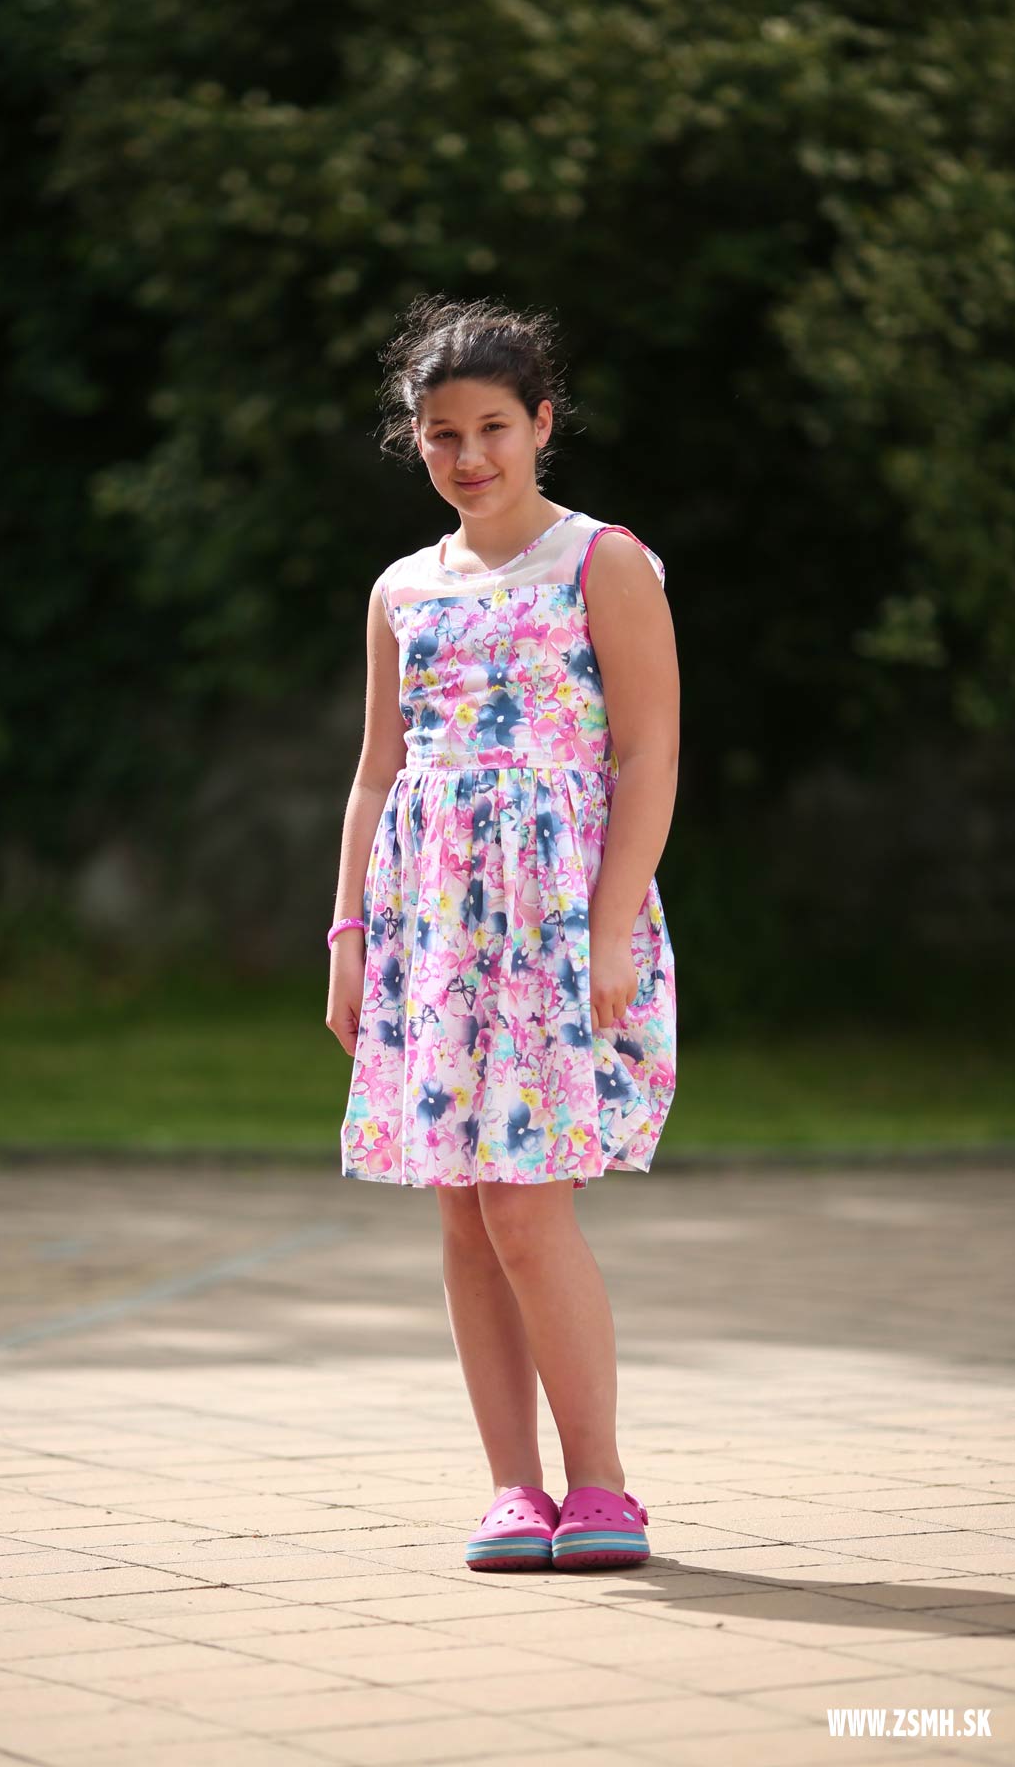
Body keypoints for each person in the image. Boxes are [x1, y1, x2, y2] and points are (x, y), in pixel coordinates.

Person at [326, 293, 679, 1573]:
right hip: (431, 928)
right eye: (442, 434)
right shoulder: (403, 589)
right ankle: (513, 1492)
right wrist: (350, 934)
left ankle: (603, 1486)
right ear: (414, 441)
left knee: (528, 1212)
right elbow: (378, 771)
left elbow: (647, 754)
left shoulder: (603, 562)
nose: (469, 455)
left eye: (492, 428)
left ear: (541, 424)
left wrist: (610, 932)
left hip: (555, 920)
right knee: (467, 1217)